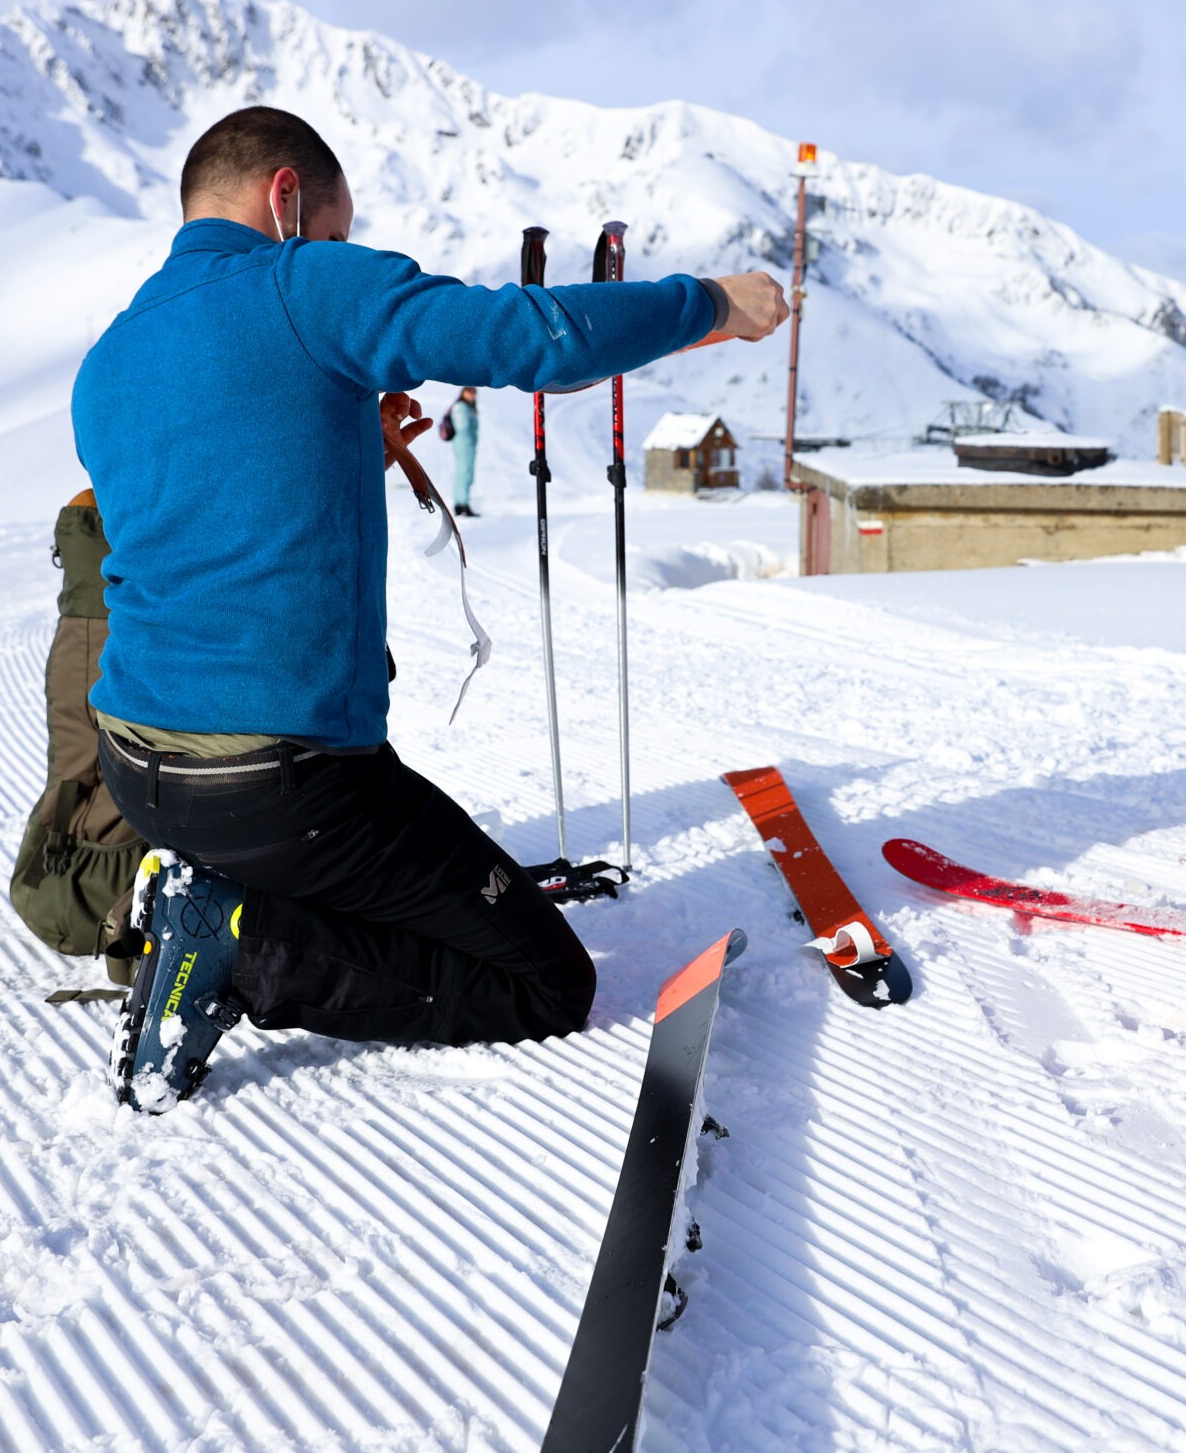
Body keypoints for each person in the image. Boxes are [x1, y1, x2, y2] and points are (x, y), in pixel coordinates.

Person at [73, 106, 788, 1110]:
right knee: (543, 980)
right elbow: (532, 339)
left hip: (141, 774)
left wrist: (339, 443)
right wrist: (708, 302)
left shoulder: (109, 359)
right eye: (333, 230)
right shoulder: (300, 283)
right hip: (286, 786)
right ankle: (241, 942)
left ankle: (213, 898)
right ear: (287, 199)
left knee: (413, 891)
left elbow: (195, 518)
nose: (335, 251)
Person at [439, 385, 479, 516]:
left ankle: (462, 502)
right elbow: (463, 427)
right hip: (463, 443)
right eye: (469, 391)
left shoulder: (468, 407)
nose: (472, 394)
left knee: (466, 472)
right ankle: (462, 503)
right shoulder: (461, 407)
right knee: (464, 472)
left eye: (473, 392)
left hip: (468, 444)